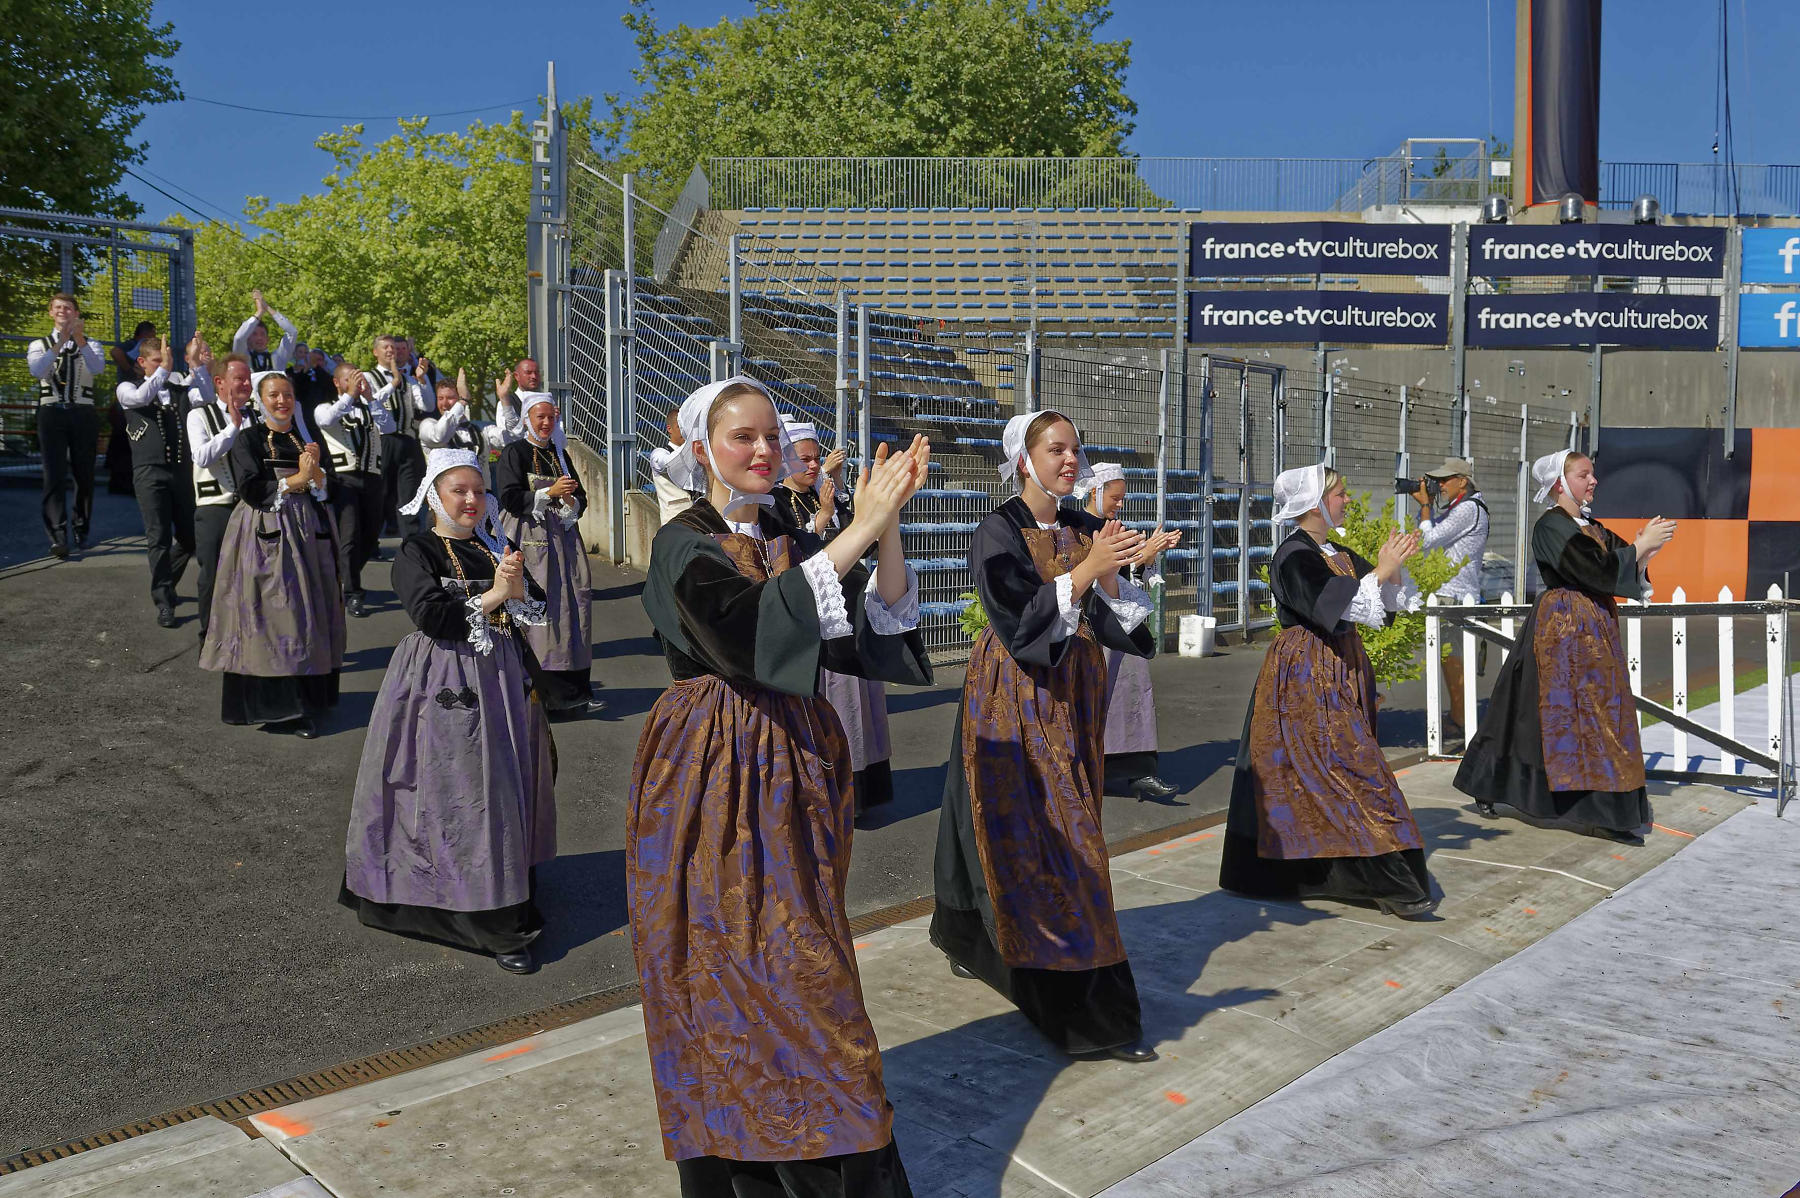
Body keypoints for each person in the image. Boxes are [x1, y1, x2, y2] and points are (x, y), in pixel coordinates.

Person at [628, 376, 931, 1196]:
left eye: (770, 436)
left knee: (805, 957)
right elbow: (749, 635)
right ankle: (746, 1157)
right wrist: (858, 527)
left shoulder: (789, 535)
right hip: (712, 775)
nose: (763, 451)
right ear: (702, 452)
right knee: (735, 961)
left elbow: (864, 636)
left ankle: (818, 1138)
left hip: (793, 768)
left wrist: (887, 526)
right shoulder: (681, 543)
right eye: (741, 439)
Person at [932, 409, 1160, 1063]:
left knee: (1055, 833)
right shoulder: (996, 531)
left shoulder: (1082, 525)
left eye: (1075, 450)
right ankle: (1090, 1011)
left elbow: (1120, 626)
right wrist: (1088, 570)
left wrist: (1122, 572)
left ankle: (976, 938)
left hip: (1075, 700)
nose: (1069, 460)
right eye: (1055, 449)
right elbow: (1019, 621)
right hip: (1015, 694)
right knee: (1051, 841)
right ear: (1024, 458)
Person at [340, 448, 556, 975]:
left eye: (478, 491)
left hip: (503, 676)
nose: (471, 500)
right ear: (435, 495)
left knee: (503, 784)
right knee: (455, 788)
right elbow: (432, 615)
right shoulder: (417, 549)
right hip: (443, 679)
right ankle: (476, 914)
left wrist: (518, 587)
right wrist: (496, 596)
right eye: (459, 490)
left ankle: (502, 888)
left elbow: (539, 606)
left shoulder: (492, 544)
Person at [1219, 463, 1436, 918]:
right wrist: (1382, 570)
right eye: (1339, 494)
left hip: (1337, 668)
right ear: (1314, 501)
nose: (1346, 501)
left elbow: (1376, 605)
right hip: (1305, 674)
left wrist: (1391, 570)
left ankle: (1339, 870)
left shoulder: (1334, 550)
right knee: (1342, 769)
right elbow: (1333, 607)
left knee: (1325, 771)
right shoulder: (1293, 555)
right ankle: (1384, 877)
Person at [1455, 451, 1676, 844]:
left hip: (1594, 629)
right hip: (1560, 630)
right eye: (1583, 474)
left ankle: (1602, 805)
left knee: (1596, 713)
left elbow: (1618, 565)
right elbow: (1595, 569)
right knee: (1535, 711)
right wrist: (1639, 548)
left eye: (1593, 474)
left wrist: (1643, 551)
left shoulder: (1591, 525)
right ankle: (1493, 783)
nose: (1593, 481)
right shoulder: (1550, 526)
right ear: (1560, 482)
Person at [198, 372, 344, 737]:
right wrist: (298, 479)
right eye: (274, 395)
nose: (282, 401)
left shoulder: (303, 438)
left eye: (288, 395)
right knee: (278, 612)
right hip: (266, 532)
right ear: (261, 400)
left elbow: (325, 488)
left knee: (310, 610)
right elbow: (250, 487)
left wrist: (317, 474)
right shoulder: (248, 438)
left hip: (308, 532)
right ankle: (283, 708)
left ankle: (310, 701)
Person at [773, 415, 898, 813]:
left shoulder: (824, 493)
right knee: (836, 698)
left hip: (850, 606)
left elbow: (858, 539)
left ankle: (863, 782)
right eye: (804, 459)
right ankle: (832, 785)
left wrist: (838, 496)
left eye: (816, 459)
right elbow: (797, 556)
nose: (813, 466)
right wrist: (823, 516)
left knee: (860, 696)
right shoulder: (776, 502)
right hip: (818, 616)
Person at [1080, 462, 1182, 802]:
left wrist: (1144, 557)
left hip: (1120, 628)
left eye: (1123, 499)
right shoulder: (1075, 527)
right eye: (1116, 497)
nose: (1120, 505)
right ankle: (1093, 769)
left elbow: (1124, 575)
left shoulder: (1115, 528)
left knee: (1133, 691)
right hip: (1090, 628)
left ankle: (1139, 769)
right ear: (1095, 492)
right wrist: (1140, 559)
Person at [495, 393, 602, 717]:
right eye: (539, 417)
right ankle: (538, 692)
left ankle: (574, 692)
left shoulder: (560, 454)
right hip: (529, 541)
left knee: (571, 612)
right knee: (536, 612)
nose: (545, 423)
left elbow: (579, 497)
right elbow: (510, 497)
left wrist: (571, 504)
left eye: (550, 417)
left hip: (563, 542)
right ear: (527, 418)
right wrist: (548, 493)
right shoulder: (514, 452)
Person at [115, 332, 207, 627]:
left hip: (181, 471)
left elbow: (205, 396)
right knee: (158, 537)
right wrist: (167, 370)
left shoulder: (179, 388)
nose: (164, 366)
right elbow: (142, 398)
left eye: (165, 360)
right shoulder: (128, 388)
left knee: (190, 536)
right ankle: (165, 601)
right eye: (158, 361)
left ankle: (164, 580)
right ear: (142, 362)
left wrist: (198, 366)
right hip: (149, 471)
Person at [1413, 457, 1489, 740]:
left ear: (1463, 481)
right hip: (1452, 593)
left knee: (1452, 659)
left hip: (1454, 594)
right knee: (1450, 659)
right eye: (1438, 480)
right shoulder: (1460, 508)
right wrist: (1426, 506)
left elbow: (1426, 540)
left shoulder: (1468, 509)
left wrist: (1424, 506)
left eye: (1445, 480)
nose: (1440, 485)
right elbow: (1424, 533)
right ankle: (1460, 716)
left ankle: (1461, 718)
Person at [315, 362, 396, 618]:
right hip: (344, 478)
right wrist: (349, 395)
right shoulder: (327, 407)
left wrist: (371, 398)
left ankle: (342, 577)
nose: (357, 384)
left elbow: (390, 426)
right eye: (350, 379)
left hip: (372, 477)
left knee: (371, 536)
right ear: (338, 383)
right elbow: (326, 421)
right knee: (349, 536)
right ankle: (352, 593)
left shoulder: (369, 407)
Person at [28, 293, 106, 559]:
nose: (63, 311)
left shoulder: (92, 344)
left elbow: (97, 368)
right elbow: (38, 370)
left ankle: (81, 528)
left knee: (84, 474)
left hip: (83, 412)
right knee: (54, 474)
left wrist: (79, 339)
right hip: (51, 412)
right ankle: (57, 535)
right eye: (58, 308)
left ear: (76, 313)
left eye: (68, 308)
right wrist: (61, 340)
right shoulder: (38, 344)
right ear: (51, 312)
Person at [188, 353, 252, 640]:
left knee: (252, 576)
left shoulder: (258, 418)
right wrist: (232, 429)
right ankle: (210, 637)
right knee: (213, 575)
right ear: (220, 382)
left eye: (248, 379)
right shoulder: (199, 415)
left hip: (252, 508)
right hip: (215, 506)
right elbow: (202, 456)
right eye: (239, 378)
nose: (247, 384)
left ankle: (248, 636)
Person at [365, 334, 431, 539]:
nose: (390, 351)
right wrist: (393, 382)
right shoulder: (368, 377)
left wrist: (422, 379)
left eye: (393, 347)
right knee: (380, 491)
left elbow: (427, 405)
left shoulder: (409, 379)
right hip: (382, 441)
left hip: (408, 440)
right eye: (385, 347)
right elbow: (372, 402)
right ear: (375, 352)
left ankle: (410, 541)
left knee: (409, 493)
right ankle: (372, 540)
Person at [107, 320, 157, 495]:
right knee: (123, 441)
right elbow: (115, 351)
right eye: (152, 334)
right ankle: (120, 482)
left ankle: (122, 481)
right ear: (145, 333)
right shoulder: (132, 345)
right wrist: (128, 370)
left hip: (138, 396)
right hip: (127, 398)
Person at [419, 377, 508, 470]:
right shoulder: (427, 425)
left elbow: (510, 439)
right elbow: (440, 436)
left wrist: (505, 399)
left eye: (450, 398)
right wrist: (462, 402)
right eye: (440, 398)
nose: (444, 404)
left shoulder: (481, 429)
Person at [646, 407, 695, 526]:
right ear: (670, 429)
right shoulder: (659, 453)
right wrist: (689, 446)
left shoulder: (694, 453)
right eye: (680, 427)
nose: (684, 432)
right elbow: (667, 462)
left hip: (698, 520)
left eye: (686, 427)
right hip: (674, 522)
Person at [233, 290, 298, 373]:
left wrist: (267, 307)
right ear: (248, 338)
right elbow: (239, 338)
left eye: (263, 334)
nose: (259, 338)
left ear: (268, 339)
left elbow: (292, 332)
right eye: (254, 334)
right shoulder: (243, 357)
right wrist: (259, 312)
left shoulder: (278, 357)